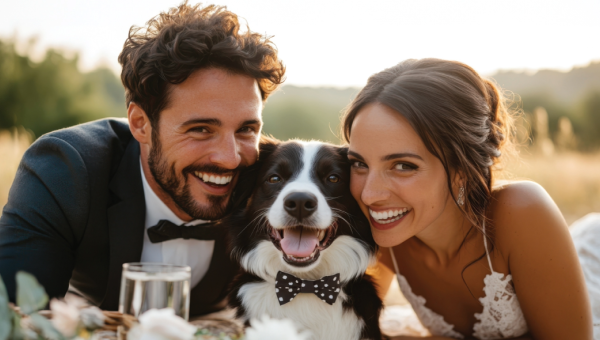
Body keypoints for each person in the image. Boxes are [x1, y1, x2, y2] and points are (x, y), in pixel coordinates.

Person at [0, 2, 285, 316]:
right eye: (201, 129)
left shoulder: (276, 188)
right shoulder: (65, 170)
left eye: (246, 129)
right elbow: (14, 318)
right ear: (140, 124)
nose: (230, 159)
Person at [342, 58, 596, 339]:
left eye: (403, 166)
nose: (369, 194)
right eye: (359, 163)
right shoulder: (380, 231)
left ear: (462, 169)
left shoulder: (522, 212)